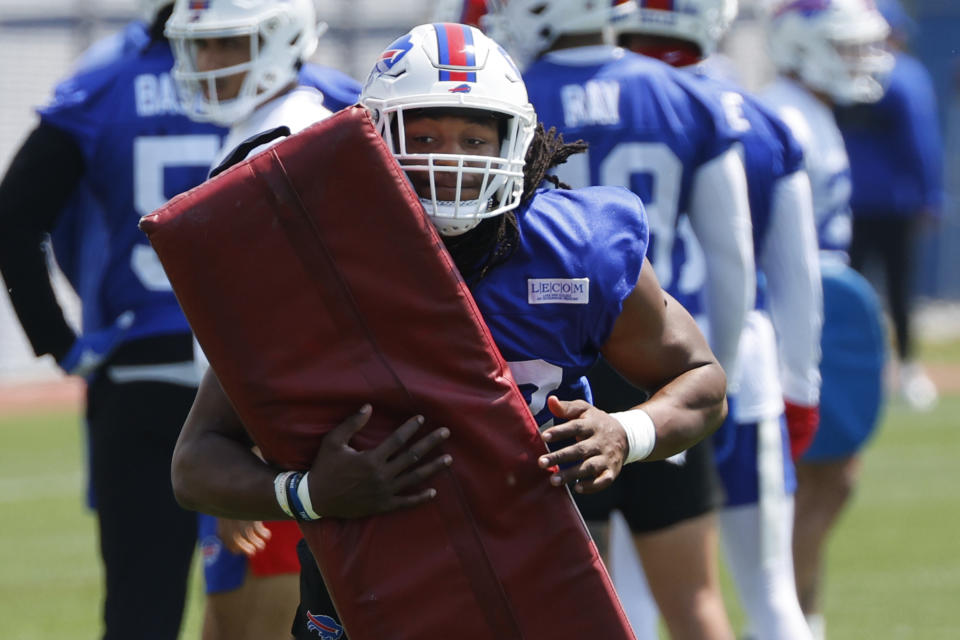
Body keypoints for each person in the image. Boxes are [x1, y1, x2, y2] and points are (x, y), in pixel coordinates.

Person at [165, 22, 730, 639]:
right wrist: (307, 493)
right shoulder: (314, 256)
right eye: (425, 134)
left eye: (473, 138)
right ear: (374, 138)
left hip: (529, 582)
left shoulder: (576, 247)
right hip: (364, 597)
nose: (447, 159)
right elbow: (196, 461)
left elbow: (701, 380)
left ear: (514, 143)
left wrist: (624, 431)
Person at [483, 1, 756, 638]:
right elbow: (731, 251)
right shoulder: (683, 93)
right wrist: (729, 377)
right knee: (694, 601)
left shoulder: (517, 91)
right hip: (656, 354)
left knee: (578, 601)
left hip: (546, 359)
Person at [0, 2, 225, 638]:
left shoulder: (105, 81)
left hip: (139, 370)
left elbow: (15, 217)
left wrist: (62, 346)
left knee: (140, 614)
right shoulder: (303, 90)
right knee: (282, 609)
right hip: (257, 378)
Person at [614, 1, 823, 638]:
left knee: (630, 599)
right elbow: (793, 277)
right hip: (737, 370)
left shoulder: (567, 97)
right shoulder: (752, 117)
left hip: (618, 373)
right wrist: (802, 390)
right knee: (767, 593)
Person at [164, 0, 354, 637]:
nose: (208, 62)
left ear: (280, 38)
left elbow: (285, 314)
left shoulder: (280, 138)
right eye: (204, 46)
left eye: (228, 44)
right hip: (266, 423)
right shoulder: (278, 122)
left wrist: (244, 446)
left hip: (278, 430)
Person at [762, 2, 892, 638]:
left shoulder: (809, 110)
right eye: (845, 48)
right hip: (795, 316)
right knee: (821, 478)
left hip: (816, 310)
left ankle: (799, 618)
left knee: (830, 479)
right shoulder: (789, 114)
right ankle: (790, 622)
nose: (861, 61)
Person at [834, 0, 944, 412]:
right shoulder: (906, 74)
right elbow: (923, 142)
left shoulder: (841, 71)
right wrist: (930, 196)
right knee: (898, 292)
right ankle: (908, 370)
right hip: (894, 203)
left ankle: (845, 371)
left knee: (849, 292)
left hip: (848, 203)